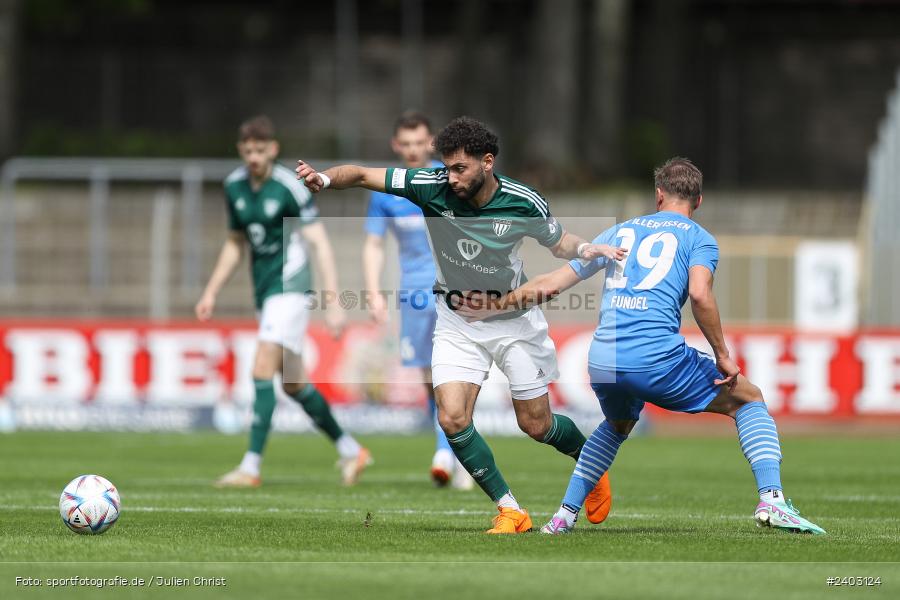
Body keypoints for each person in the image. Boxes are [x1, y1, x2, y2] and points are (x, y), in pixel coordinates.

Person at [459, 157, 825, 535]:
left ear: (659, 195)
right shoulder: (699, 238)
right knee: (749, 398)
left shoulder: (619, 233)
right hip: (653, 356)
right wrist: (723, 356)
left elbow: (553, 283)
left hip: (602, 358)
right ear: (698, 201)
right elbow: (700, 295)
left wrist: (495, 305)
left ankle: (562, 517)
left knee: (616, 424)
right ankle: (773, 500)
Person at [296, 116, 619, 533]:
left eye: (459, 168)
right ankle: (510, 510)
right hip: (456, 319)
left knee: (535, 424)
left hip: (513, 321)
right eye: (446, 167)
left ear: (487, 162)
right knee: (451, 417)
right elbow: (359, 174)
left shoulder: (523, 200)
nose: (450, 177)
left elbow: (560, 243)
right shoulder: (430, 185)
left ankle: (589, 463)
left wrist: (588, 247)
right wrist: (323, 178)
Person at [196, 115, 371, 488]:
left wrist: (334, 301)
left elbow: (319, 242)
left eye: (261, 150)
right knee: (294, 384)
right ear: (240, 151)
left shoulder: (289, 186)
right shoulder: (234, 187)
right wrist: (212, 290)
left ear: (272, 150)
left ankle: (251, 467)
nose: (254, 157)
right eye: (248, 151)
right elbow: (235, 243)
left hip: (291, 287)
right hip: (265, 291)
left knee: (261, 368)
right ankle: (351, 450)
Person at [362, 111, 472, 489]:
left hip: (452, 291)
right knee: (427, 377)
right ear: (396, 145)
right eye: (404, 144)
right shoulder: (387, 192)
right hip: (412, 295)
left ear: (431, 142)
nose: (412, 151)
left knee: (449, 373)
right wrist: (374, 291)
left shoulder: (450, 181)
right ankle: (454, 448)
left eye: (418, 143)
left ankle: (445, 451)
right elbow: (374, 244)